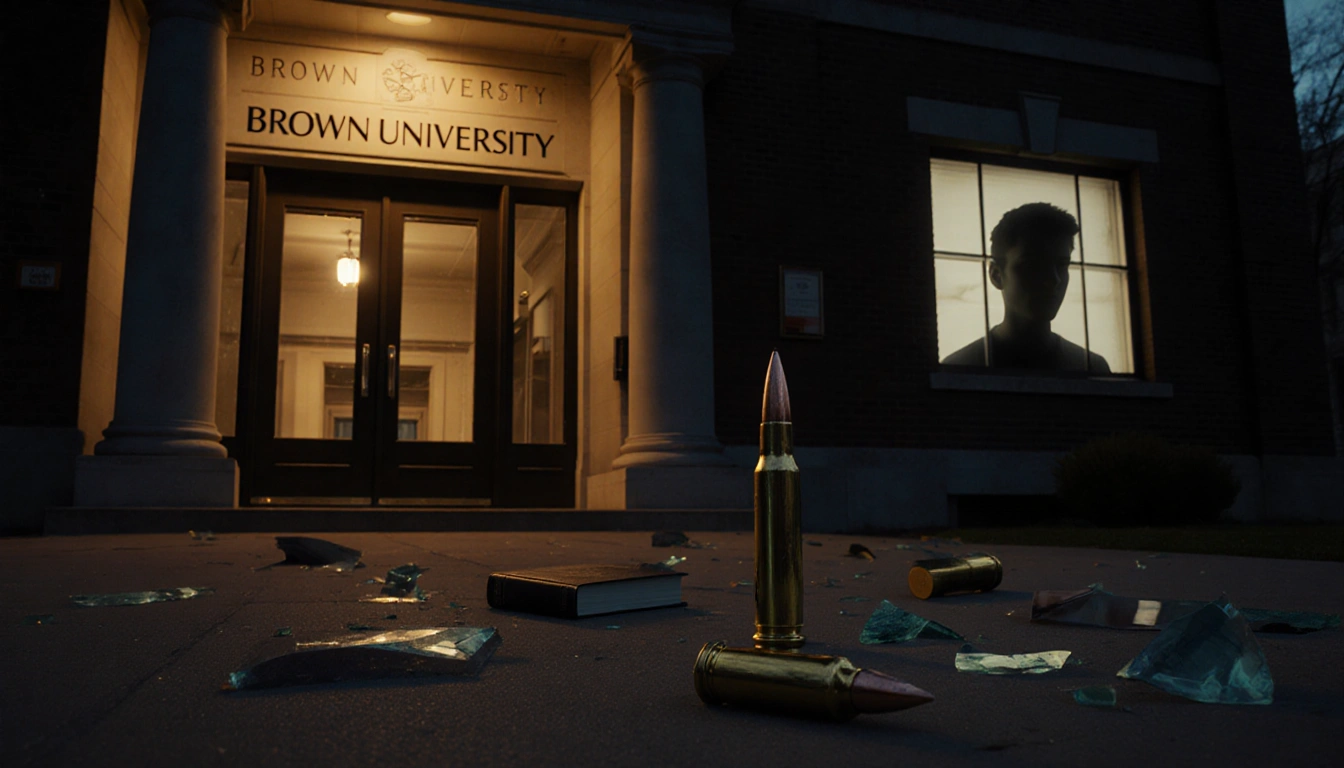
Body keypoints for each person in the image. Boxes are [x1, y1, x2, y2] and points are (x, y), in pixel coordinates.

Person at [942, 202, 1111, 373]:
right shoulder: (1090, 368)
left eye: (1062, 265)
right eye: (1033, 266)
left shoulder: (962, 367)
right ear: (996, 275)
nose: (1054, 279)